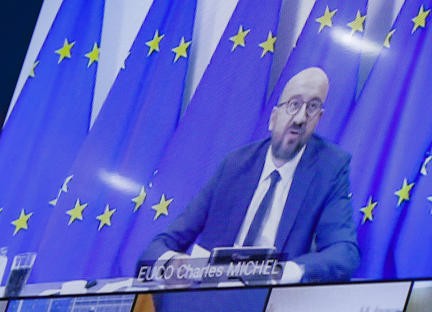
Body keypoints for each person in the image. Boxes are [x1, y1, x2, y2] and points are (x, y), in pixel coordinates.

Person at [139, 67, 359, 284]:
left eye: (312, 107)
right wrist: (172, 263)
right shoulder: (235, 166)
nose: (301, 118)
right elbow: (158, 247)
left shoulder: (329, 168)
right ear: (274, 117)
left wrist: (282, 272)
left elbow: (344, 254)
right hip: (210, 299)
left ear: (319, 118)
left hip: (273, 303)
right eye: (294, 105)